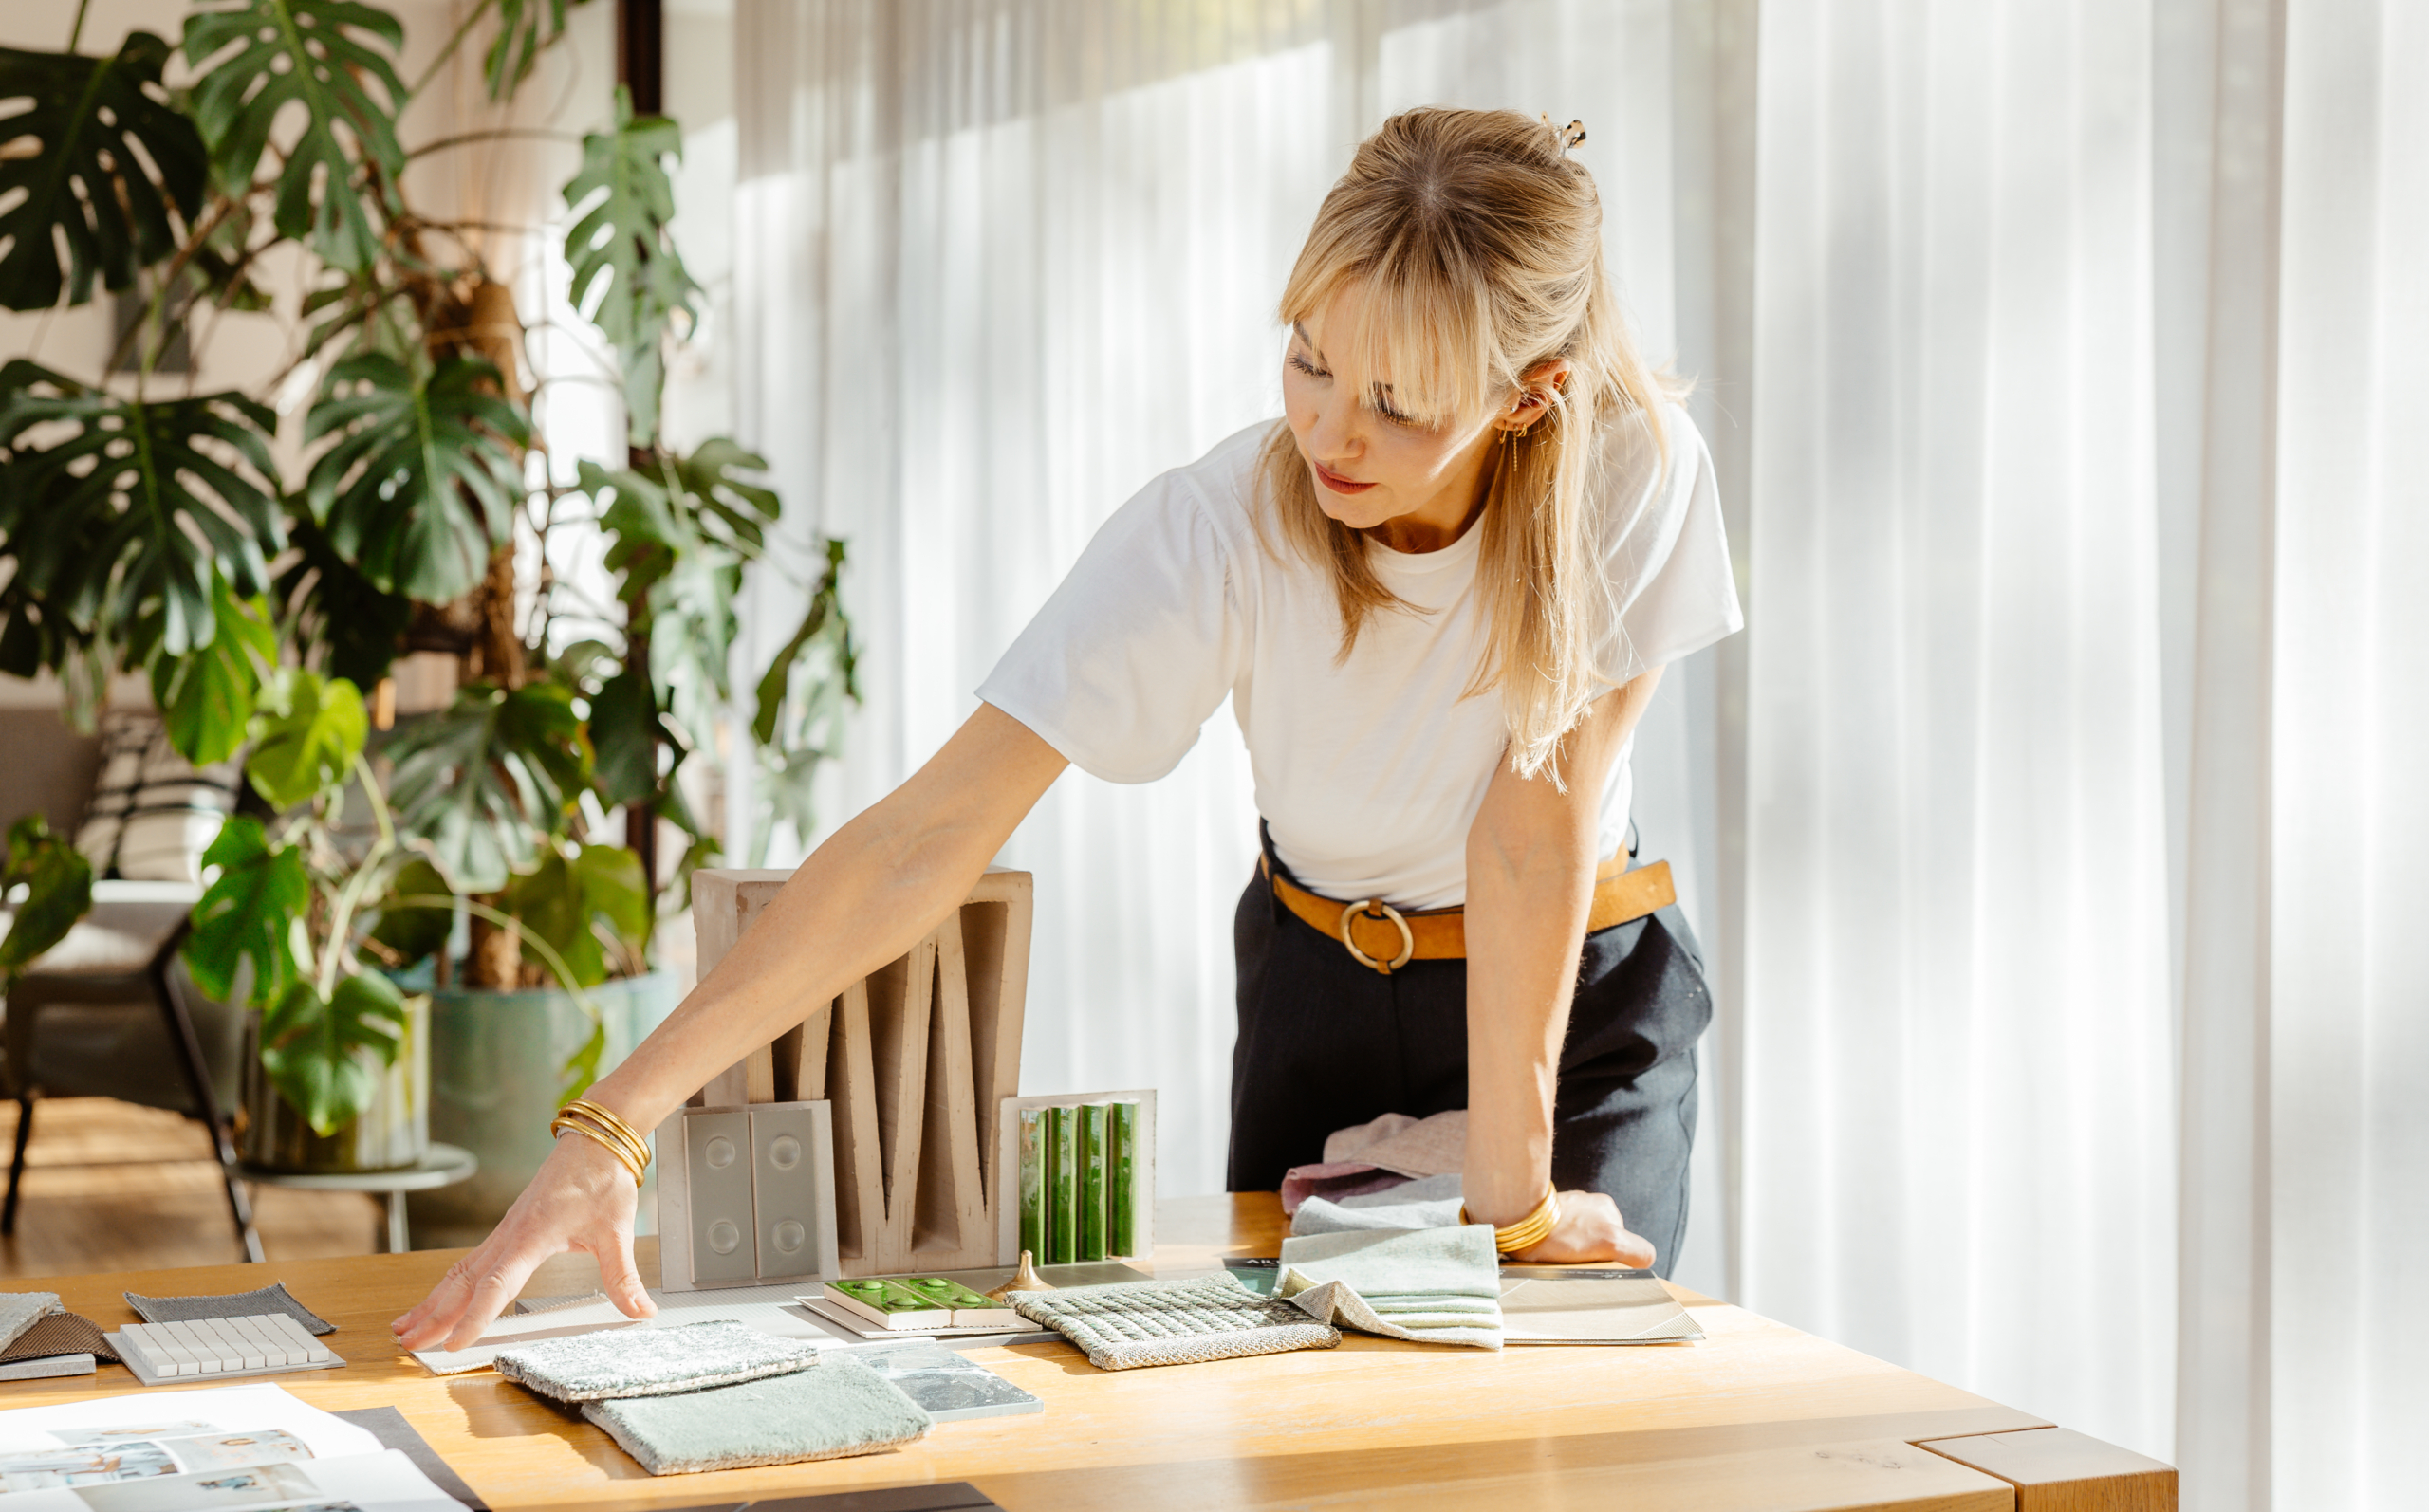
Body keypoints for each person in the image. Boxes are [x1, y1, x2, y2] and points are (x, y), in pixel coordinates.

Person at [396, 107, 1740, 1353]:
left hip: (1568, 986)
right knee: (1316, 1430)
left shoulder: (1630, 470)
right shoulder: (1219, 527)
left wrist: (1512, 1206)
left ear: (1530, 396)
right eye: (1310, 361)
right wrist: (610, 1128)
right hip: (1316, 984)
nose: (1329, 433)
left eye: (1398, 404)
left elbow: (1529, 830)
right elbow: (931, 832)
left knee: (1554, 1428)